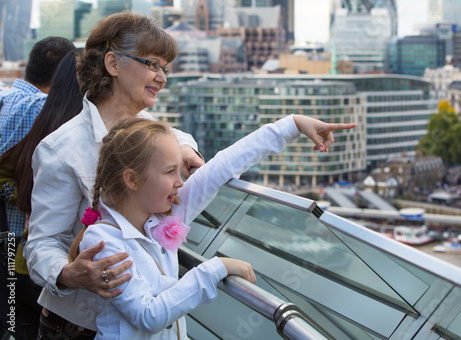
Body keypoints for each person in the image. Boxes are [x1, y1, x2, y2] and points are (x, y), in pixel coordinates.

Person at [68, 113, 355, 339]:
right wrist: (216, 267)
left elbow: (222, 167)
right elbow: (148, 315)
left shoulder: (163, 216)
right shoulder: (103, 241)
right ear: (132, 180)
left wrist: (291, 125)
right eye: (170, 172)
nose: (180, 181)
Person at [24, 11, 205, 339]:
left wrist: (185, 147)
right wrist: (68, 273)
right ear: (113, 64)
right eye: (152, 64)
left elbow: (173, 139)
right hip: (81, 326)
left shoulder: (153, 132)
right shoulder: (61, 149)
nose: (161, 77)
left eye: (165, 68)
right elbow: (42, 242)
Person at [0, 49, 84, 340]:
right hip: (55, 267)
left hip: (22, 255)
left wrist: (23, 200)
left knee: (17, 326)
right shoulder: (74, 135)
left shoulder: (30, 117)